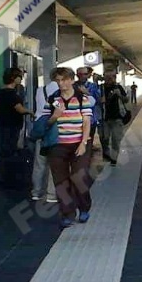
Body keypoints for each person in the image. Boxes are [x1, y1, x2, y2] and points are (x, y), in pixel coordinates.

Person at [45, 67, 95, 229]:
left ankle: (84, 207)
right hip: (57, 145)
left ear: (72, 80)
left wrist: (83, 143)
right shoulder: (53, 99)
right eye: (58, 80)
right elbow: (46, 123)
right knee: (61, 182)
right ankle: (67, 213)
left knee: (79, 177)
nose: (61, 83)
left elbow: (86, 122)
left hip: (79, 144)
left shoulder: (82, 99)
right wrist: (55, 116)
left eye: (65, 80)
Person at [0, 68, 33, 188]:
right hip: (11, 125)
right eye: (19, 76)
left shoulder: (1, 91)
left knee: (5, 149)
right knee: (9, 149)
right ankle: (8, 177)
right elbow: (19, 109)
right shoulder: (11, 93)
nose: (21, 79)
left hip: (2, 123)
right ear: (14, 78)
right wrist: (30, 112)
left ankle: (3, 175)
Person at [31, 76, 60, 202]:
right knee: (54, 164)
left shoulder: (40, 90)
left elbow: (41, 109)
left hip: (41, 130)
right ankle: (51, 194)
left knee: (39, 164)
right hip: (55, 132)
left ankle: (36, 192)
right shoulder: (59, 95)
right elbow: (60, 110)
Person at [101, 72, 130, 165]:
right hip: (104, 118)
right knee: (104, 138)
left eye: (111, 77)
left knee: (115, 140)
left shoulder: (118, 87)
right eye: (107, 77)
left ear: (114, 78)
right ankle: (106, 154)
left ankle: (114, 159)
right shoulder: (101, 88)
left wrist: (119, 95)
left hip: (117, 118)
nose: (109, 79)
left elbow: (126, 100)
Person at [75, 66, 103, 153]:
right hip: (76, 118)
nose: (83, 76)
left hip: (90, 119)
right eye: (80, 74)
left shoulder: (93, 86)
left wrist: (87, 93)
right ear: (77, 75)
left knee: (89, 140)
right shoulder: (73, 86)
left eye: (85, 74)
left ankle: (88, 155)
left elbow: (99, 100)